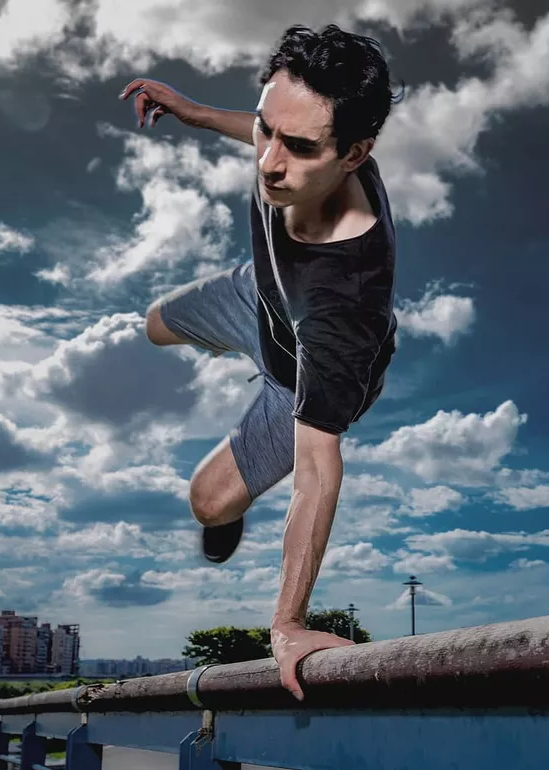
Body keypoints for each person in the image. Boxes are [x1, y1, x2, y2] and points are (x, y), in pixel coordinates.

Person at [119, 23, 403, 701]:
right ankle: (233, 337)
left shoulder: (344, 310)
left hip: (297, 370)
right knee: (153, 325)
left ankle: (228, 513)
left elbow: (317, 473)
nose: (269, 162)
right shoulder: (291, 130)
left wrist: (288, 622)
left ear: (355, 155)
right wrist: (191, 110)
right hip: (258, 294)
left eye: (298, 149)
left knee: (205, 502)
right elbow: (263, 124)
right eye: (266, 130)